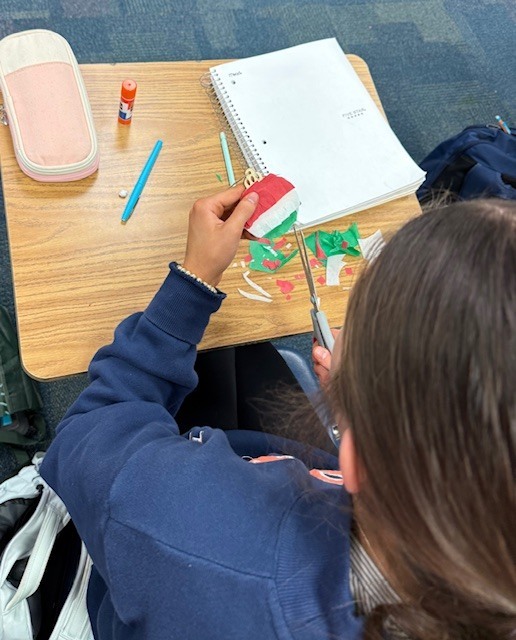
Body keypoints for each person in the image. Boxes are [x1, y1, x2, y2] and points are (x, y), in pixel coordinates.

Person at [40, 187, 515, 640]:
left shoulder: (197, 540)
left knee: (214, 362)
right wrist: (353, 414)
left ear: (360, 459)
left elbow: (89, 431)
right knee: (242, 355)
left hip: (161, 553)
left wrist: (194, 282)